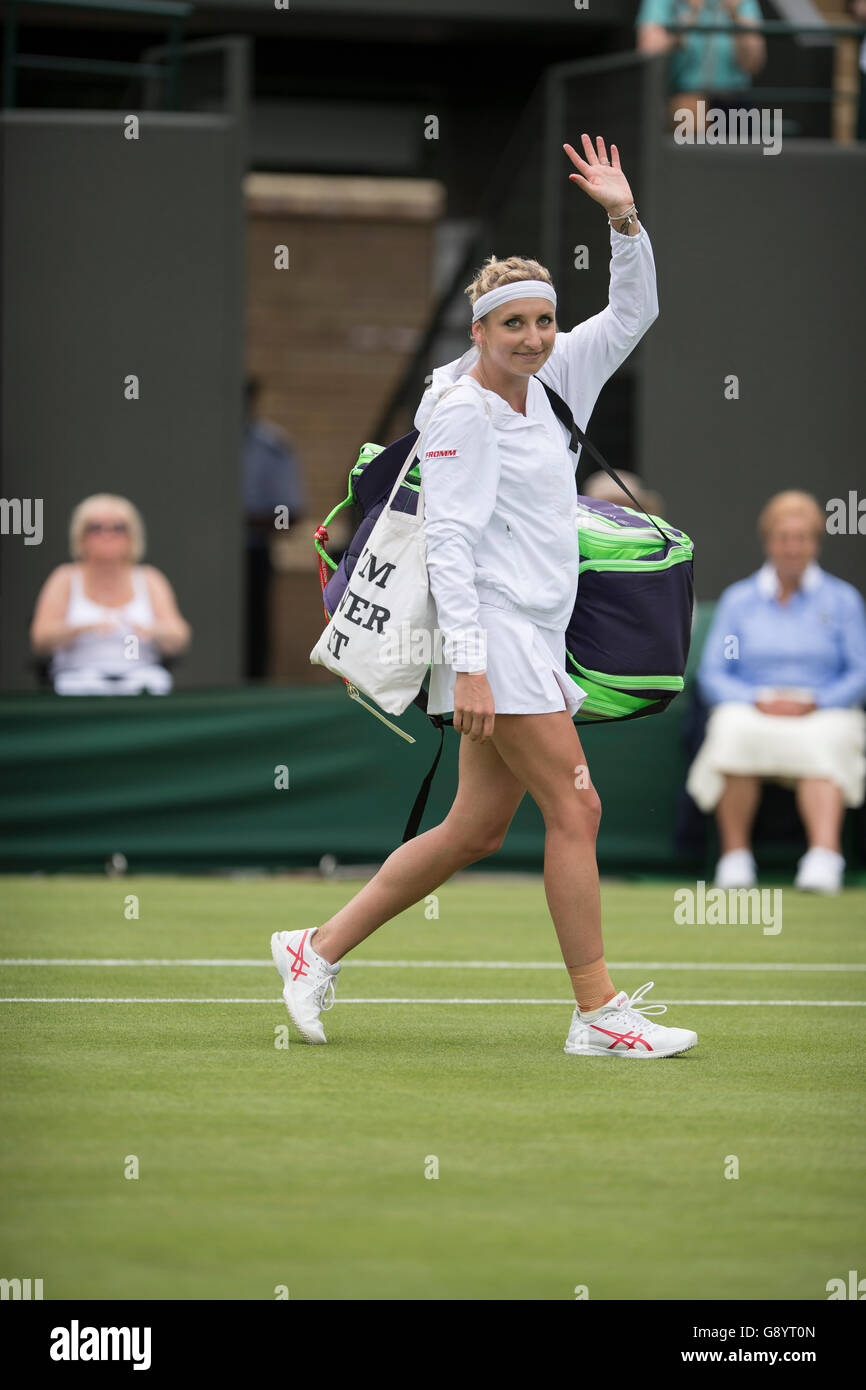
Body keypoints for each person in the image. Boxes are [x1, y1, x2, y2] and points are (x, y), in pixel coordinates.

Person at [271, 134, 699, 1060]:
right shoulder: (461, 409)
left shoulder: (554, 380)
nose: (536, 337)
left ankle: (314, 948)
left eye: (545, 321)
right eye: (516, 325)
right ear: (480, 332)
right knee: (577, 809)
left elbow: (636, 310)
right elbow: (453, 545)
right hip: (493, 635)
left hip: (533, 636)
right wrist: (470, 664)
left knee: (472, 829)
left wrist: (624, 218)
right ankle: (597, 1014)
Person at [686, 491, 866, 894]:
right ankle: (735, 858)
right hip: (755, 705)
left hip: (822, 707)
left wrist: (818, 701)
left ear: (815, 542)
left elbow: (859, 672)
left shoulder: (843, 601)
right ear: (769, 542)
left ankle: (824, 855)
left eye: (802, 537)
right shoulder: (739, 601)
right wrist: (755, 701)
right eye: (784, 537)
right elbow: (716, 670)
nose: (792, 547)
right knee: (731, 729)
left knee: (831, 735)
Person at [30, 493, 191, 695]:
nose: (108, 535)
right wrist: (80, 628)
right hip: (78, 682)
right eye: (96, 528)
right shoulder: (65, 578)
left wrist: (153, 631)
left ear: (133, 537)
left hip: (140, 681)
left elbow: (179, 637)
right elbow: (40, 640)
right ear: (81, 537)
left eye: (118, 528)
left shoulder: (150, 579)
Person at [242, 376, 308, 679]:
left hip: (250, 551)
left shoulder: (271, 446)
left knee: (253, 631)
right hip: (198, 550)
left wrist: (239, 521)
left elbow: (290, 513)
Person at [636, 0, 767, 134]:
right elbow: (648, 50)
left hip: (734, 100)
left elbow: (754, 63)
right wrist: (688, 17)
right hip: (685, 96)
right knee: (689, 110)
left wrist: (736, 16)